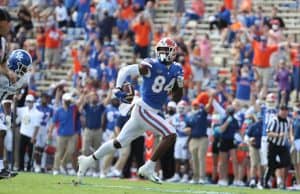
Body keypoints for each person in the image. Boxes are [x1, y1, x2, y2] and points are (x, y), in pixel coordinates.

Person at [77, 37, 183, 184]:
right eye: (162, 50)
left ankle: (88, 160)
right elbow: (125, 70)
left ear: (173, 52)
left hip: (151, 112)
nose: (163, 53)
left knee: (119, 142)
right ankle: (149, 167)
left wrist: (180, 85)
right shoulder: (151, 65)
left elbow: (177, 98)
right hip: (144, 109)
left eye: (167, 50)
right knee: (171, 134)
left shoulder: (177, 69)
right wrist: (117, 88)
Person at [0, 47, 32, 178]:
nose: (26, 71)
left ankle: (1, 168)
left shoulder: (22, 79)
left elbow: (9, 95)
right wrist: (7, 73)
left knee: (1, 131)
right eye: (24, 68)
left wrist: (7, 113)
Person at [263, 104, 291, 189]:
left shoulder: (288, 120)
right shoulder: (274, 120)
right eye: (282, 110)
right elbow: (268, 132)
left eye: (286, 111)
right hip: (273, 145)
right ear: (279, 111)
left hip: (282, 145)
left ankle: (274, 167)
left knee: (287, 162)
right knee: (271, 165)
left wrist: (290, 138)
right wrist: (278, 135)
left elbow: (289, 130)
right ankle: (265, 183)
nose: (284, 112)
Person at [16, 94, 42, 172]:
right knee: (21, 151)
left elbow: (37, 127)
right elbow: (13, 109)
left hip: (31, 135)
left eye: (30, 101)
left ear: (33, 102)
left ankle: (29, 168)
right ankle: (20, 167)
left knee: (31, 153)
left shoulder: (37, 113)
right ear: (26, 102)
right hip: (23, 133)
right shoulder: (23, 110)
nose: (29, 103)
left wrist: (34, 137)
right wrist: (15, 100)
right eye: (27, 101)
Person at [35, 93, 53, 173]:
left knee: (44, 148)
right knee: (37, 148)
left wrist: (50, 130)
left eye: (46, 98)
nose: (44, 99)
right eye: (43, 98)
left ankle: (42, 165)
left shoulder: (50, 108)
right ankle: (36, 165)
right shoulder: (36, 106)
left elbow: (51, 120)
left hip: (45, 129)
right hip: (37, 128)